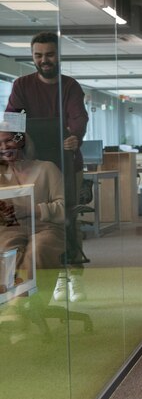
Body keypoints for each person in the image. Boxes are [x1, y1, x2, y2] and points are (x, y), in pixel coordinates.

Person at [5, 31, 89, 301]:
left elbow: (79, 118)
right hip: (30, 164)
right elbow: (13, 122)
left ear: (58, 55)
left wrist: (74, 137)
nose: (44, 60)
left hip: (66, 162)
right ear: (33, 57)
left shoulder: (70, 86)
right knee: (23, 220)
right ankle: (26, 280)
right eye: (38, 55)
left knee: (68, 218)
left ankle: (72, 278)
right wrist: (14, 149)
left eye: (49, 54)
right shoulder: (21, 85)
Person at [0, 121, 70, 300]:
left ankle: (26, 305)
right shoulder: (1, 175)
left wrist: (29, 210)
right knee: (7, 250)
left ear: (21, 141)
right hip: (12, 228)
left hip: (46, 228)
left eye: (8, 141)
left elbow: (64, 208)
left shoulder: (47, 168)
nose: (3, 147)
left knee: (36, 251)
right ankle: (11, 303)